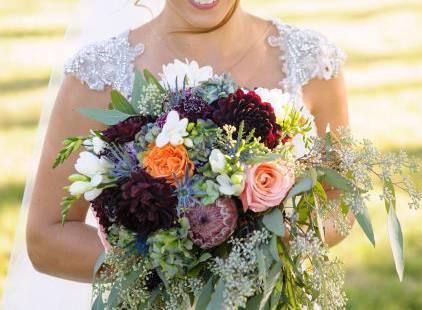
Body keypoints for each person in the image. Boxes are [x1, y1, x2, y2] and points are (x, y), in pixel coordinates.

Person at [25, 0, 351, 285]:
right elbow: (46, 237)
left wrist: (268, 253)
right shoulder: (98, 75)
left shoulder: (309, 61)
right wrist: (171, 266)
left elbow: (342, 200)